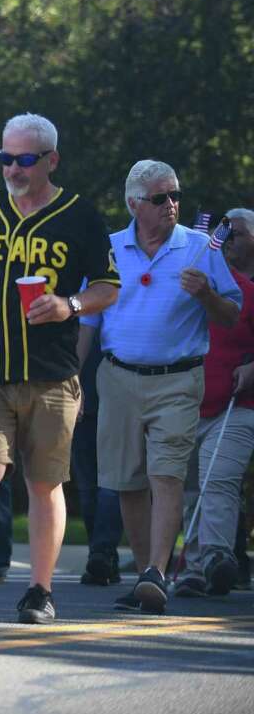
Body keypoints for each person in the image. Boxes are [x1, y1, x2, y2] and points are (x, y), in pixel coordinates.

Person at [0, 112, 120, 624]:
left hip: (52, 374)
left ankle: (40, 590)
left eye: (24, 160)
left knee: (45, 484)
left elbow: (109, 286)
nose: (13, 169)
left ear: (51, 160)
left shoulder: (79, 215)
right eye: (6, 158)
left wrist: (71, 305)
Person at [83, 162, 240, 614]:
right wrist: (70, 376)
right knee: (127, 482)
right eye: (159, 198)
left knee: (166, 474)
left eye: (175, 195)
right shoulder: (109, 248)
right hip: (117, 377)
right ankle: (146, 578)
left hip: (178, 376)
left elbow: (232, 312)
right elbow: (89, 318)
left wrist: (208, 294)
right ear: (134, 204)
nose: (171, 205)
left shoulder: (199, 248)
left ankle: (157, 572)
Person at [177, 208, 254, 598]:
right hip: (187, 399)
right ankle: (192, 567)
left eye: (235, 234)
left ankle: (216, 557)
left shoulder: (247, 290)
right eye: (222, 234)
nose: (226, 242)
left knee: (218, 480)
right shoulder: (189, 285)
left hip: (238, 405)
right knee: (189, 486)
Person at [71, 330, 124, 585]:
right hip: (81, 388)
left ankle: (103, 551)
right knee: (90, 484)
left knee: (109, 481)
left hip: (115, 389)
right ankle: (100, 554)